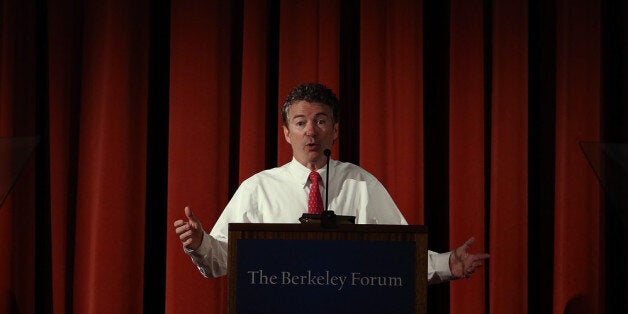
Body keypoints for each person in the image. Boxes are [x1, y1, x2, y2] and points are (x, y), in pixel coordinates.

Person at [174, 82, 489, 283]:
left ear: (335, 130)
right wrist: (201, 243)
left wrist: (449, 264)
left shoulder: (360, 184)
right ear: (286, 133)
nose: (311, 131)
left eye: (320, 121)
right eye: (301, 123)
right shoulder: (258, 189)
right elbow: (220, 262)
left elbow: (400, 254)